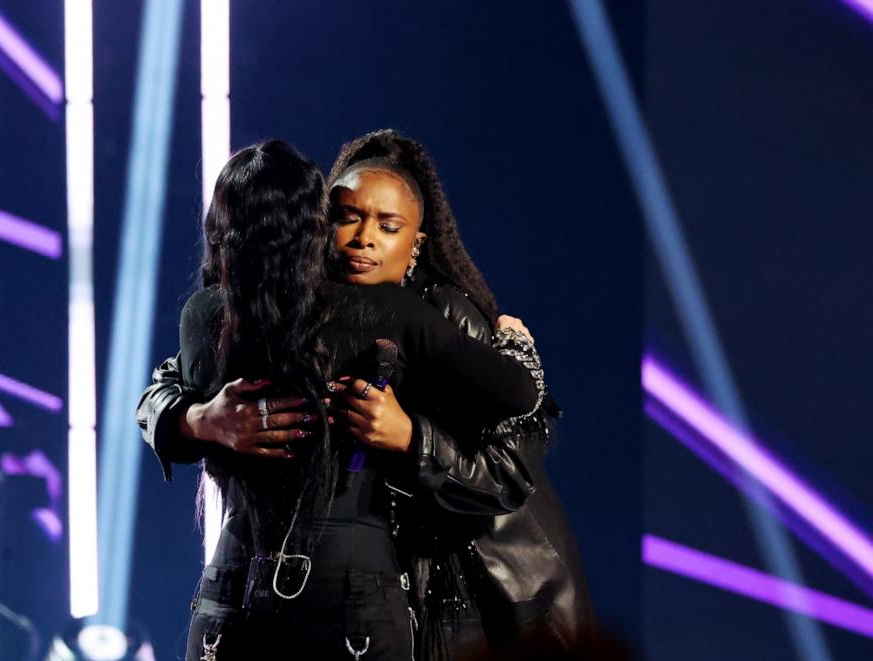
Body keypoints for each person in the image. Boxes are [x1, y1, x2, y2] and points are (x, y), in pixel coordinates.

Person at [137, 130, 592, 659]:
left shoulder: (444, 316)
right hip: (315, 589)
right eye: (346, 216)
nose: (363, 239)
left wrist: (410, 438)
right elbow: (165, 387)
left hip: (433, 590)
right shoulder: (267, 313)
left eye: (388, 225)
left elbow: (510, 472)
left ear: (418, 239)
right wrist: (200, 419)